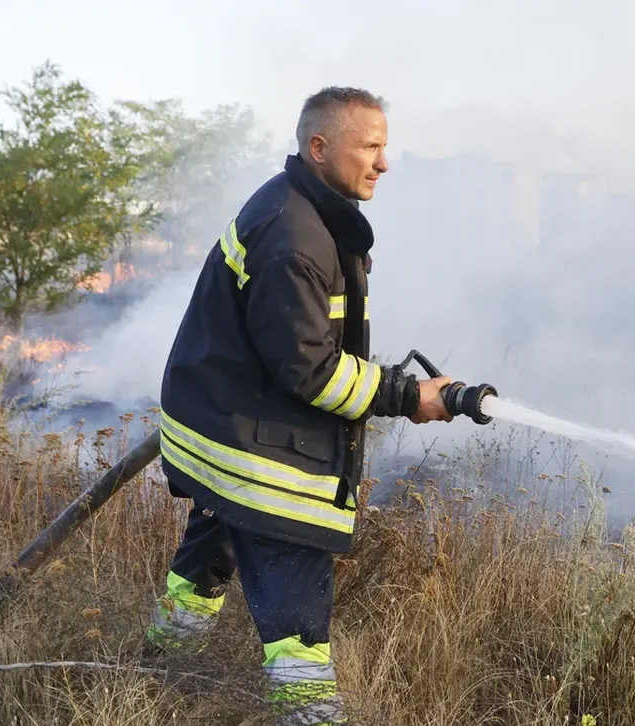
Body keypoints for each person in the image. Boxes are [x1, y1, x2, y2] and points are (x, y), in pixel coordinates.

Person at [144, 86, 453, 725]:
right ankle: (310, 715)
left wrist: (397, 386)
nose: (383, 163)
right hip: (258, 459)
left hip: (222, 430)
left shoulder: (298, 208)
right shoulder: (294, 236)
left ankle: (159, 672)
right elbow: (310, 371)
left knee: (208, 552)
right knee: (299, 630)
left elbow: (299, 343)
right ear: (319, 147)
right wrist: (406, 396)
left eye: (384, 147)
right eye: (370, 147)